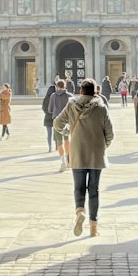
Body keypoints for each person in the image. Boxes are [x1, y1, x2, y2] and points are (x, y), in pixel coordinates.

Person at [54, 79, 114, 237]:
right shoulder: (101, 107)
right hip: (96, 153)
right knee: (94, 190)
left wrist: (68, 133)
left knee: (78, 187)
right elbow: (110, 133)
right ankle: (93, 227)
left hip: (77, 152)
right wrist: (102, 145)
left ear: (81, 91)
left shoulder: (72, 105)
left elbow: (57, 123)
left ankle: (80, 211)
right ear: (95, 92)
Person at [50, 77, 72, 170]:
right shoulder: (69, 96)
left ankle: (62, 162)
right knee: (67, 139)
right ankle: (68, 160)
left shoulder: (53, 96)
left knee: (59, 142)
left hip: (56, 120)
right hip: (67, 121)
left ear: (57, 86)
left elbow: (49, 109)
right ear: (65, 86)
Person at [41, 84, 55, 152]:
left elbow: (43, 108)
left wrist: (47, 112)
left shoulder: (45, 98)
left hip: (47, 117)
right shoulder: (55, 97)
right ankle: (58, 146)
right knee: (56, 132)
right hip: (55, 117)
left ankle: (50, 147)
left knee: (49, 134)